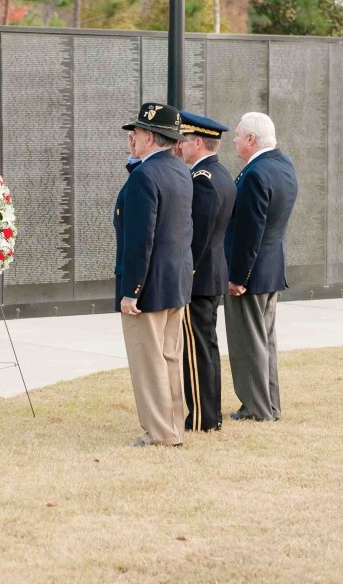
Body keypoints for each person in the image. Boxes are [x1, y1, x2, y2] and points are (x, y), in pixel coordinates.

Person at [114, 102, 194, 447]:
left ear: (149, 137)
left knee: (149, 362)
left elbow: (140, 240)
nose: (131, 139)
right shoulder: (179, 170)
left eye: (136, 133)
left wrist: (132, 290)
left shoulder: (145, 176)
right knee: (169, 358)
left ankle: (161, 434)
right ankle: (173, 425)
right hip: (174, 280)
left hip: (147, 285)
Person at [223, 111, 298, 423]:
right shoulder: (283, 165)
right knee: (265, 341)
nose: (236, 142)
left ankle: (256, 409)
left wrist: (238, 276)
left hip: (251, 274)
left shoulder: (256, 173)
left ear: (251, 140)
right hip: (270, 270)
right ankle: (270, 405)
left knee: (248, 343)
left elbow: (249, 232)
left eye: (239, 136)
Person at [174, 111, 236, 432]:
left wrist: (187, 274)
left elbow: (196, 238)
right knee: (206, 347)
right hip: (211, 276)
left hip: (199, 279)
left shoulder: (204, 181)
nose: (179, 147)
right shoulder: (220, 174)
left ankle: (202, 418)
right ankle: (210, 415)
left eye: (184, 141)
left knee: (197, 352)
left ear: (198, 142)